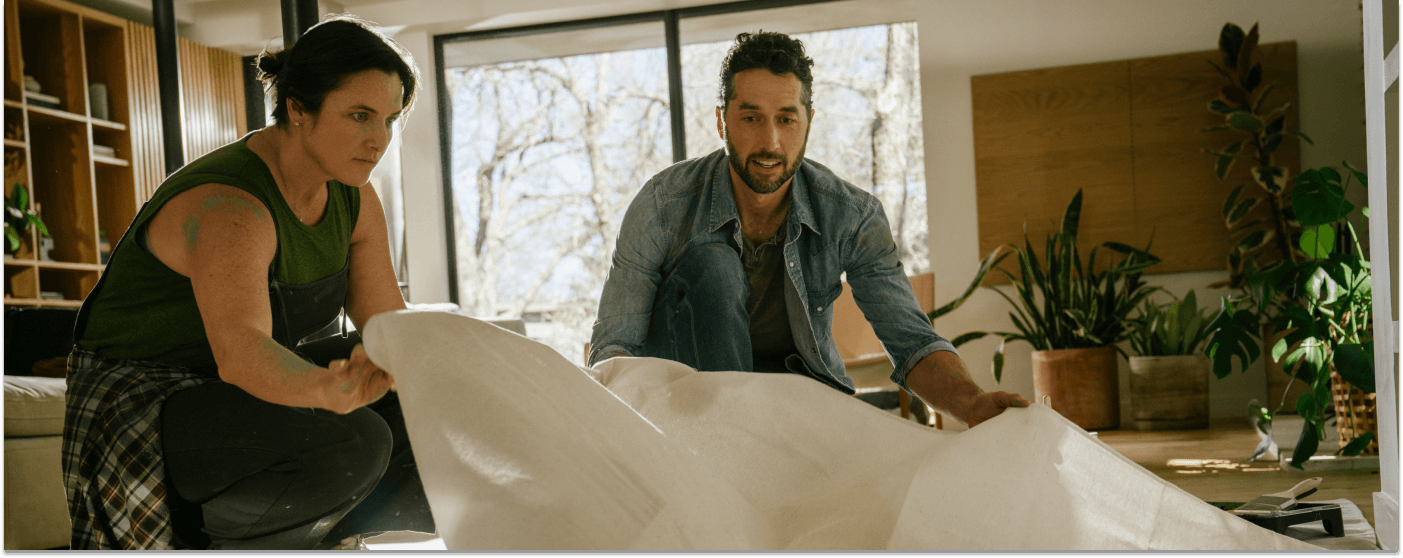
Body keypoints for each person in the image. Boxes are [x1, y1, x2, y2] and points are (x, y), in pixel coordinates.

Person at [63, 15, 433, 550]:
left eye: (389, 120)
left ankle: (307, 536)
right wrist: (328, 390)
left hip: (236, 393)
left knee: (420, 395)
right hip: (147, 404)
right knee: (353, 441)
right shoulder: (230, 207)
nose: (378, 140)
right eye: (359, 116)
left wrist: (456, 373)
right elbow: (241, 352)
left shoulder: (353, 197)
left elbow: (386, 329)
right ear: (298, 109)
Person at [589, 31, 1028, 428]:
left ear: (809, 121)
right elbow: (613, 351)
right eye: (750, 118)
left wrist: (972, 405)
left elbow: (911, 342)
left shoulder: (852, 216)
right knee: (714, 263)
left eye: (786, 118)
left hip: (800, 409)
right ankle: (734, 438)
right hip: (685, 413)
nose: (771, 142)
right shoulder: (663, 205)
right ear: (722, 121)